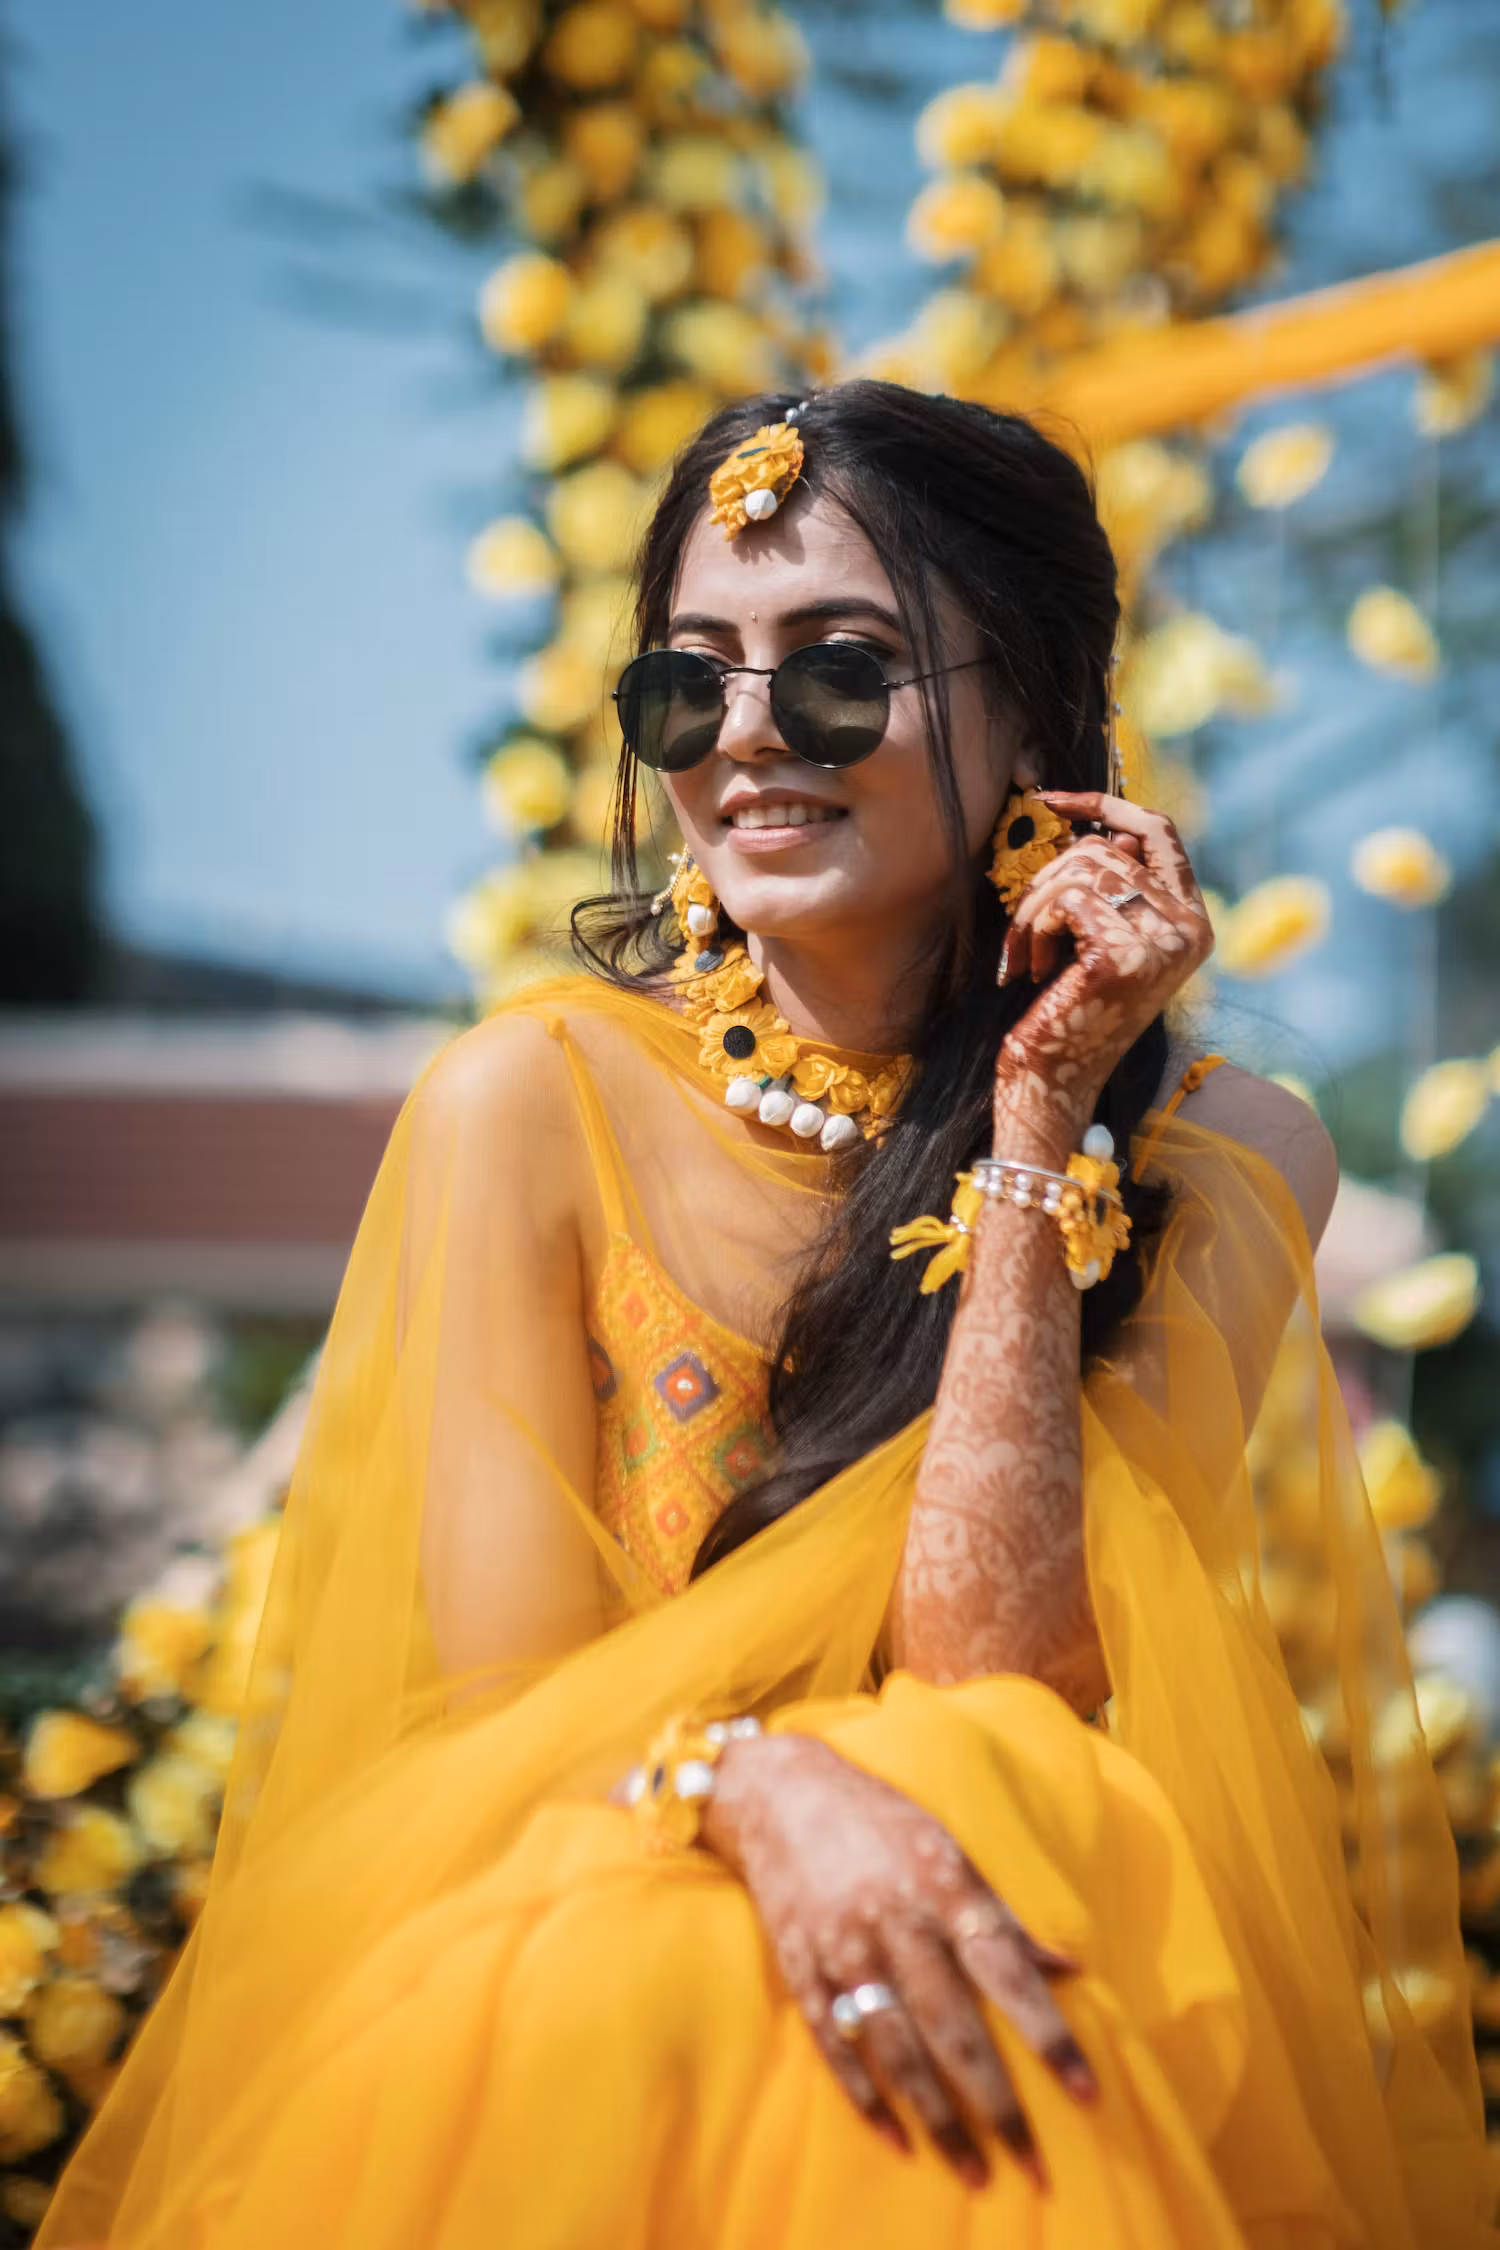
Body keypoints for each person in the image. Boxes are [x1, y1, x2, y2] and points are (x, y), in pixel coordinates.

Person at [40, 381, 1496, 2247]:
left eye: (837, 672)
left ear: (1037, 717)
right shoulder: (532, 1103)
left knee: (982, 1815)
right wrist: (777, 1793)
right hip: (571, 2014)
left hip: (985, 1978)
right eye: (685, 684)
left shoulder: (1233, 1157)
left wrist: (1041, 1116)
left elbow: (995, 1667)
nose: (744, 742)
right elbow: (507, 1717)